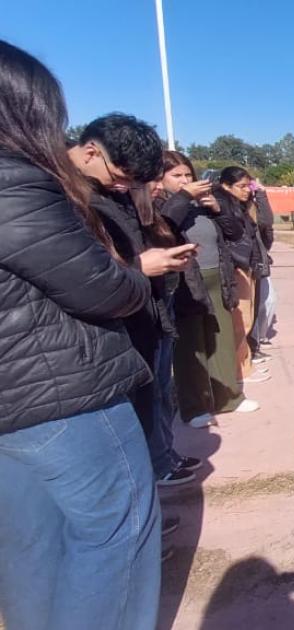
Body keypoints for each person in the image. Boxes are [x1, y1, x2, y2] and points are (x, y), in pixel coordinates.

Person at [0, 40, 160, 629]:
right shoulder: (16, 183)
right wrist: (137, 277)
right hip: (58, 395)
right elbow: (102, 287)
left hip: (15, 403)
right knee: (115, 532)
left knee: (31, 544)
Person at [69, 113, 201, 487]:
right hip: (115, 329)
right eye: (122, 178)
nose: (126, 187)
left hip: (147, 314)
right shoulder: (62, 195)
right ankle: (153, 471)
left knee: (155, 396)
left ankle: (160, 461)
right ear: (92, 151)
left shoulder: (111, 192)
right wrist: (139, 266)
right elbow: (84, 273)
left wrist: (150, 263)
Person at [156, 151, 259, 427]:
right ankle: (194, 406)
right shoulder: (160, 203)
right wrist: (184, 197)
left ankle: (229, 398)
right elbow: (163, 229)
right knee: (193, 346)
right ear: (160, 177)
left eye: (188, 174)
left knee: (221, 338)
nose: (184, 180)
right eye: (176, 175)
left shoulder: (202, 204)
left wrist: (217, 209)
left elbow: (236, 233)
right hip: (187, 282)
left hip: (218, 277)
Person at [214, 166, 270, 384]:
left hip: (247, 265)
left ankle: (245, 363)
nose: (247, 190)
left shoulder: (239, 204)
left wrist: (261, 195)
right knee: (240, 321)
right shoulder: (222, 204)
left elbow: (265, 222)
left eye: (249, 185)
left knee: (245, 319)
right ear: (226, 186)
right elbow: (235, 234)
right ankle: (239, 370)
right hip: (236, 267)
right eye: (242, 186)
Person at [247, 180, 276, 361]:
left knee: (268, 301)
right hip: (245, 266)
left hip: (260, 264)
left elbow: (266, 222)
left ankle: (257, 338)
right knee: (250, 309)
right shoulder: (232, 209)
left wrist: (261, 194)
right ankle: (251, 346)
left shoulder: (254, 207)